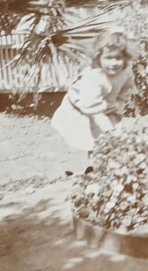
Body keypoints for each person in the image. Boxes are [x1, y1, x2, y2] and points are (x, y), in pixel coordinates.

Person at [52, 26, 136, 168]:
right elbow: (94, 110)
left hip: (103, 106)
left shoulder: (126, 73)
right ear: (98, 57)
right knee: (91, 140)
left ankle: (104, 168)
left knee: (106, 136)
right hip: (80, 108)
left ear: (125, 58)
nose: (114, 63)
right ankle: (89, 172)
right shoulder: (93, 76)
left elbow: (124, 93)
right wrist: (111, 132)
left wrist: (118, 110)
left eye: (118, 58)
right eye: (108, 58)